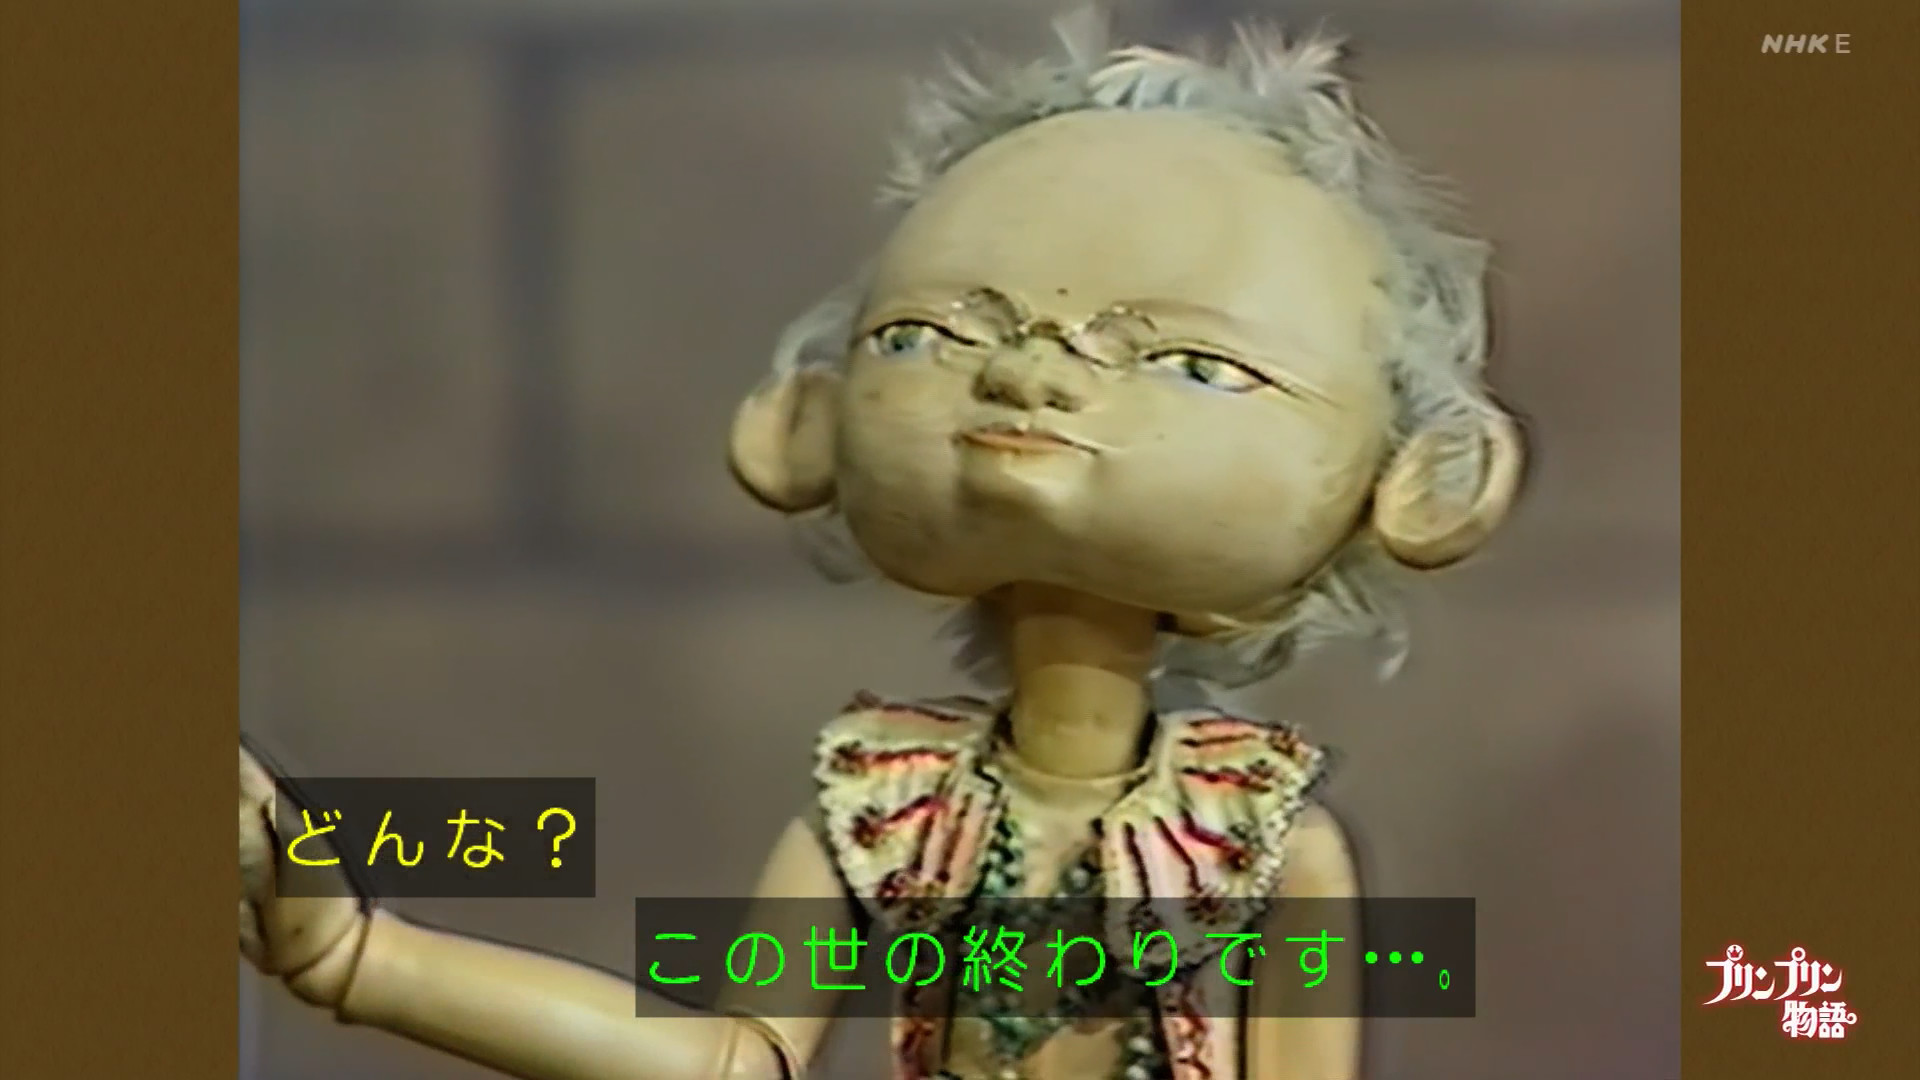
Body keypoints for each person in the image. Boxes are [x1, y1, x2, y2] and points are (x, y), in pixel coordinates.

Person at [238, 10, 1524, 1080]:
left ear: (1407, 483)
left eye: (1187, 362)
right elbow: (738, 1060)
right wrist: (354, 955)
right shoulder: (887, 806)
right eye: (938, 336)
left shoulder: (1270, 840)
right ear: (802, 422)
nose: (1028, 379)